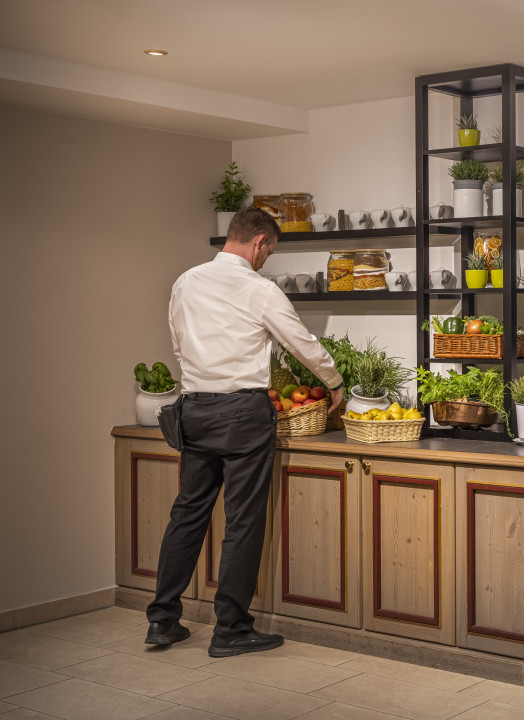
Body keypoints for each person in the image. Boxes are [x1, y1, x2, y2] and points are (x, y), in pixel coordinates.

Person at [145, 206, 344, 657]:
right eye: (268, 251)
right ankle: (230, 629)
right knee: (242, 520)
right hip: (242, 413)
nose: (266, 260)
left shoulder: (186, 281)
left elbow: (179, 342)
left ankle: (161, 621)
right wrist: (332, 383)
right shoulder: (259, 289)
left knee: (188, 513)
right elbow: (301, 343)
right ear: (259, 243)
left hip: (194, 408)